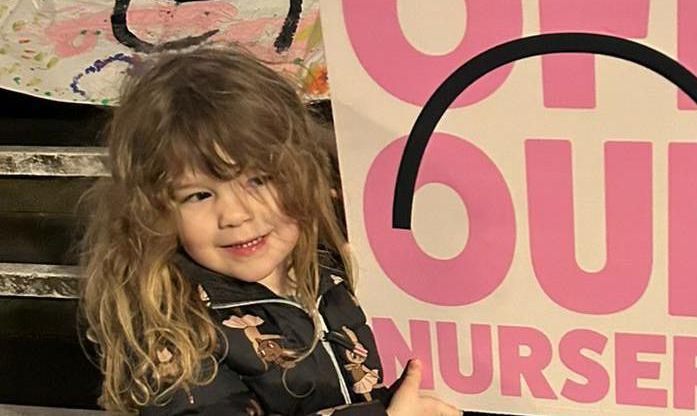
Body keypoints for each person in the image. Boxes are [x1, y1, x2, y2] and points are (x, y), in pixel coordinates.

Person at [78, 46, 460, 416]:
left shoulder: (327, 257)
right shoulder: (173, 328)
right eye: (199, 195)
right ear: (156, 211)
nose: (235, 215)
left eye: (259, 180)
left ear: (302, 172)